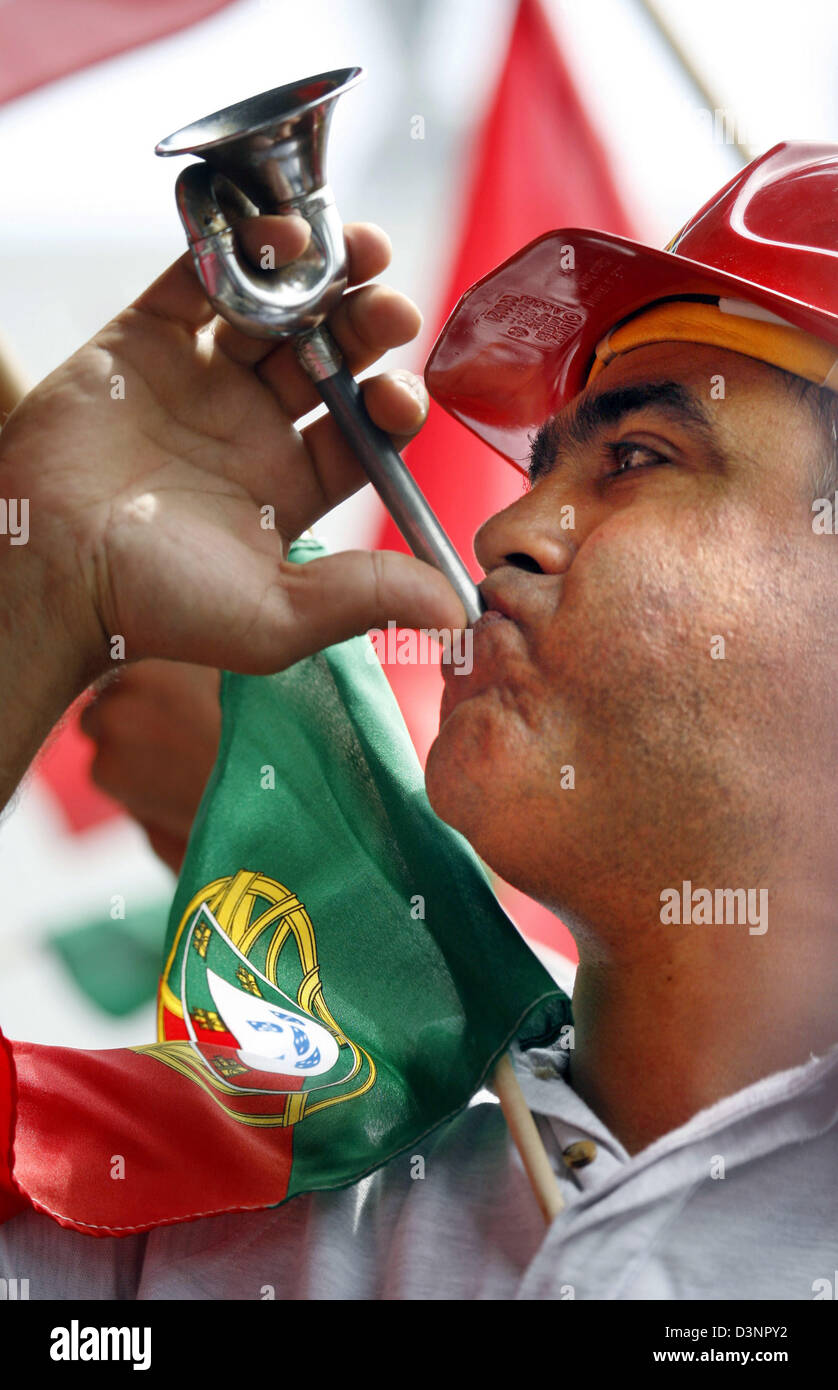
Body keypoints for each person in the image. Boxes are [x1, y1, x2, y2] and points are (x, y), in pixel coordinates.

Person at [1, 142, 838, 1300]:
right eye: (543, 467)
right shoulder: (205, 1220)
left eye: (638, 458)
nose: (507, 531)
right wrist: (36, 608)